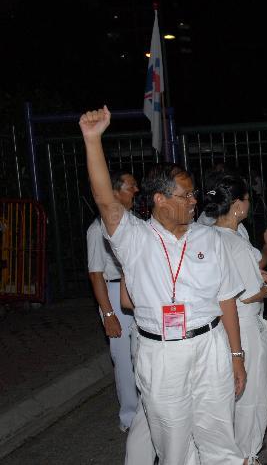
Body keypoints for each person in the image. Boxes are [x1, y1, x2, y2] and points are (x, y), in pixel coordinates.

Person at [79, 106, 249, 465]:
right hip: (161, 352)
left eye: (193, 195)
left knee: (220, 437)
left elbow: (227, 300)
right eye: (185, 195)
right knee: (173, 445)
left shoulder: (210, 238)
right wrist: (92, 140)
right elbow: (106, 201)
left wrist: (236, 356)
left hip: (211, 345)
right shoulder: (134, 238)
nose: (194, 202)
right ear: (159, 199)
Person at [204, 173, 267, 465]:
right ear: (237, 205)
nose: (248, 206)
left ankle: (231, 454)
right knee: (252, 393)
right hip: (245, 326)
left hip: (221, 327)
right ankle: (246, 456)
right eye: (247, 200)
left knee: (230, 394)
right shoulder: (234, 242)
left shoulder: (206, 235)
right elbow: (250, 294)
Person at [86, 170, 139, 433]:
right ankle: (129, 417)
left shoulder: (133, 222)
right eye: (131, 186)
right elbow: (96, 275)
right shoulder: (97, 230)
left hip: (135, 293)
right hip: (114, 294)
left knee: (141, 354)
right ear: (114, 192)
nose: (136, 190)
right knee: (123, 359)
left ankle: (146, 412)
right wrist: (108, 314)